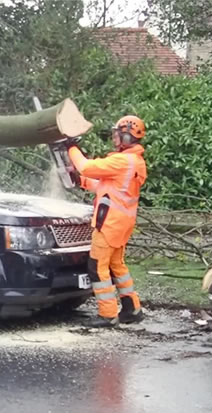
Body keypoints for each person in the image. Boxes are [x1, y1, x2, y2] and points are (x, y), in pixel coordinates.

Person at [67, 115, 148, 328]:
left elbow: (86, 166)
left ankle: (107, 314)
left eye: (118, 134)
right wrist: (80, 181)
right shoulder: (134, 161)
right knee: (117, 265)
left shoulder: (122, 161)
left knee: (97, 267)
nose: (115, 138)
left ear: (128, 137)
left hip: (109, 223)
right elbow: (105, 186)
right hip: (122, 224)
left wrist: (71, 147)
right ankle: (132, 308)